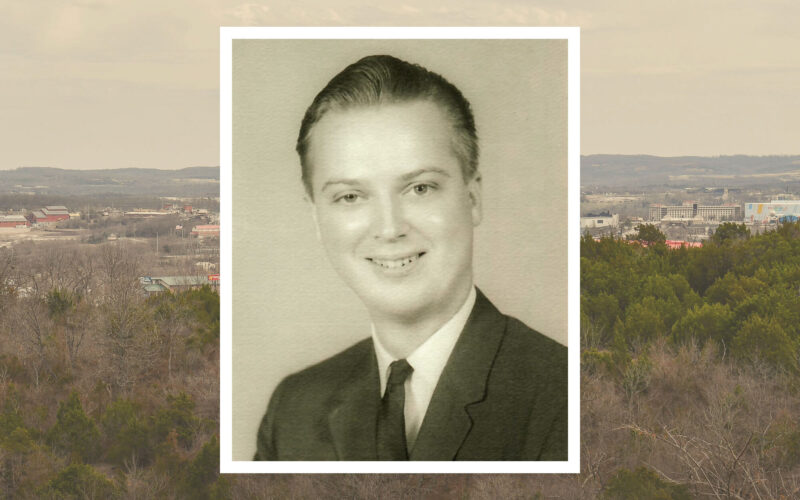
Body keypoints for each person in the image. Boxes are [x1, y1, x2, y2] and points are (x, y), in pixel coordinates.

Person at [255, 54, 566, 461]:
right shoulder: (292, 411)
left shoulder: (568, 397)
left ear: (473, 198)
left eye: (420, 188)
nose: (389, 227)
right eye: (350, 196)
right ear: (316, 217)